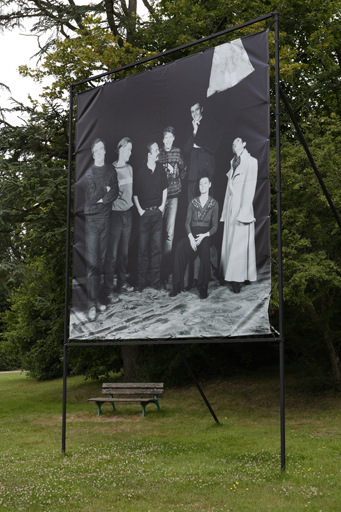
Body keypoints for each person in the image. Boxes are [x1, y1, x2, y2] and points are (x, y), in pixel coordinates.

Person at [84, 138, 119, 321]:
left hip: (106, 219)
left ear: (105, 151)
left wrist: (104, 196)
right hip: (92, 221)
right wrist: (103, 191)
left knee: (103, 259)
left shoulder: (111, 170)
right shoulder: (89, 174)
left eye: (102, 149)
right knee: (92, 262)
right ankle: (91, 304)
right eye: (96, 150)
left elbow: (115, 191)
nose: (99, 152)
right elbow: (91, 196)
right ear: (93, 153)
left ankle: (99, 299)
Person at [169, 173, 218, 300]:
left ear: (210, 185)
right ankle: (176, 285)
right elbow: (186, 223)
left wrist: (204, 236)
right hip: (193, 234)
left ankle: (203, 287)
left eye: (205, 183)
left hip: (205, 235)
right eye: (200, 184)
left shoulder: (214, 203)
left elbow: (215, 227)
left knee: (206, 246)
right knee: (179, 246)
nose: (202, 186)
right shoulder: (192, 202)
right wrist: (191, 238)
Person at [220, 137, 258, 293]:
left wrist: (244, 210)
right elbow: (228, 190)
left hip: (242, 208)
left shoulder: (251, 162)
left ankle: (238, 279)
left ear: (244, 144)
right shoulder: (232, 163)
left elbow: (251, 186)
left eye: (237, 141)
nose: (234, 143)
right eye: (232, 142)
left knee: (241, 244)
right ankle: (232, 275)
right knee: (231, 242)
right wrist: (225, 211)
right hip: (231, 208)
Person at [133, 142, 168, 292]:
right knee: (142, 250)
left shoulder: (160, 169)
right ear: (149, 154)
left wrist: (162, 207)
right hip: (145, 215)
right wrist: (140, 210)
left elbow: (165, 188)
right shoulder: (140, 171)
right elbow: (135, 194)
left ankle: (155, 281)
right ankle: (141, 281)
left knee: (156, 249)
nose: (158, 152)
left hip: (157, 214)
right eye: (156, 150)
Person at [104, 137, 134, 302]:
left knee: (124, 253)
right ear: (122, 149)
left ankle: (122, 283)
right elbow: (108, 195)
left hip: (128, 214)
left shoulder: (130, 168)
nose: (130, 152)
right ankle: (108, 290)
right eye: (129, 149)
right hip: (115, 216)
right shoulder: (111, 170)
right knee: (112, 256)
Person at [158, 126, 186, 284]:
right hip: (159, 199)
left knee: (169, 234)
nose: (168, 140)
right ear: (163, 140)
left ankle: (165, 271)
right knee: (157, 234)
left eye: (170, 137)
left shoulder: (177, 152)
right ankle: (156, 271)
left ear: (173, 139)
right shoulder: (159, 154)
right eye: (165, 137)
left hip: (174, 197)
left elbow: (184, 171)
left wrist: (174, 172)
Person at [184, 102, 221, 202]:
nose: (194, 113)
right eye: (192, 111)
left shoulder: (211, 123)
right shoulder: (189, 128)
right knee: (192, 203)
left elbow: (215, 143)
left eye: (196, 109)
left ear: (201, 109)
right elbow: (187, 149)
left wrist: (198, 145)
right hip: (193, 172)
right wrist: (194, 131)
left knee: (208, 203)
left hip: (207, 169)